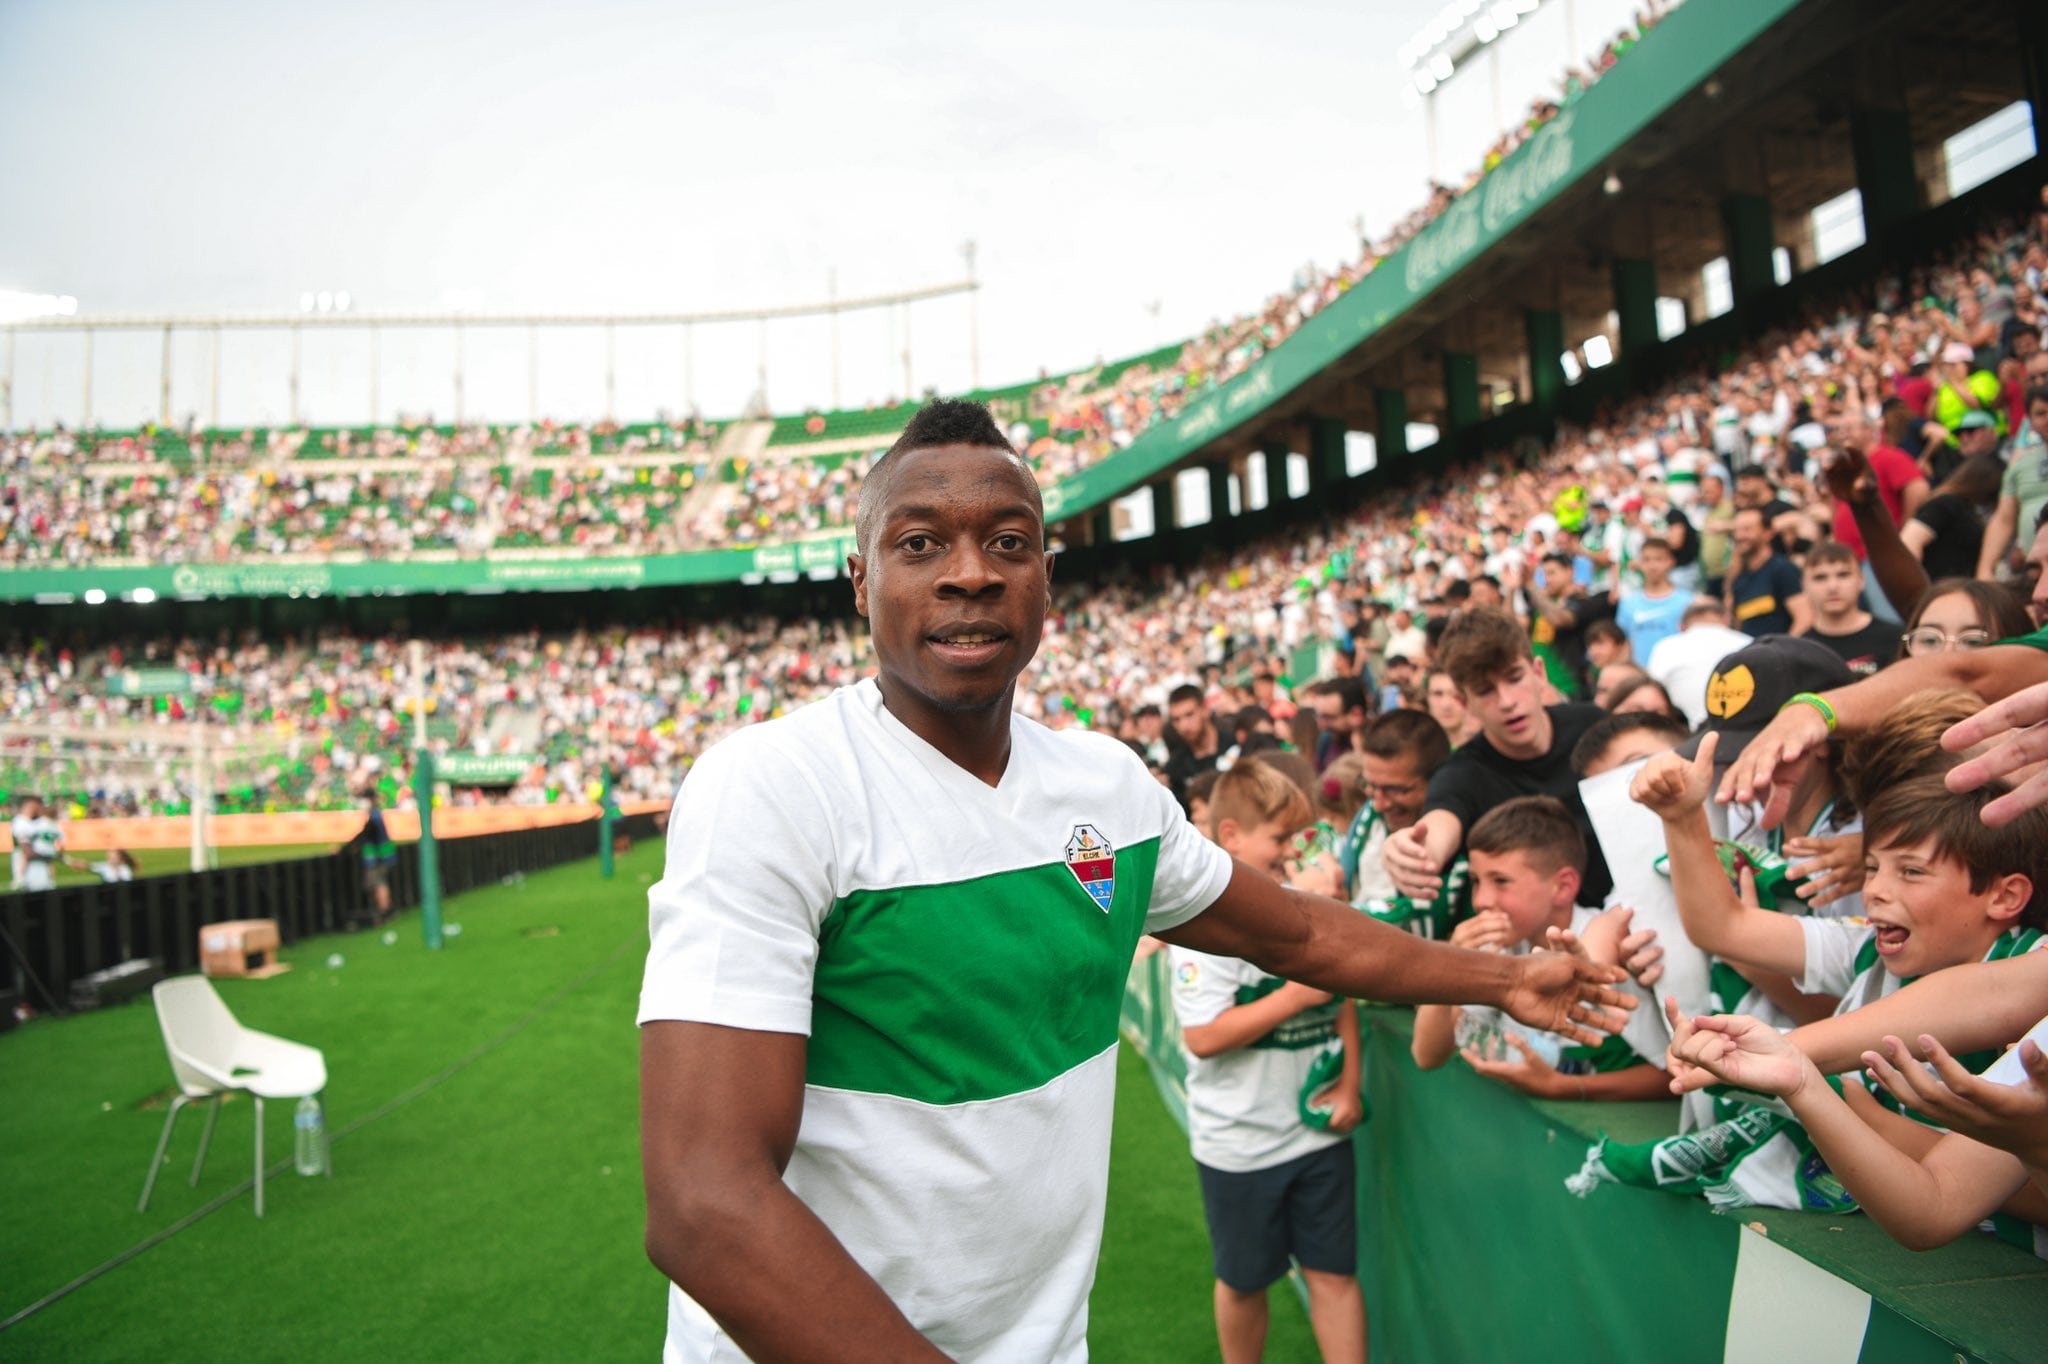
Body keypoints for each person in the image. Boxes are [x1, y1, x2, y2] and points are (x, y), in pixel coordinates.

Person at [636, 401, 1630, 1362]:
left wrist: (1500, 979)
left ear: (1048, 580)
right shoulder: (771, 785)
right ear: (857, 579)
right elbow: (705, 1200)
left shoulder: (1104, 785)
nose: (970, 573)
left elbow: (1293, 932)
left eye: (1008, 542)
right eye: (920, 544)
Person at [1170, 759, 1366, 1364]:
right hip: (1240, 1143)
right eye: (1280, 839)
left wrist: (1351, 1086)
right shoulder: (1206, 924)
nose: (1291, 852)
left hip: (1316, 1135)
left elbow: (1343, 1004)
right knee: (1245, 1280)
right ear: (1231, 836)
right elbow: (1202, 1037)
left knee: (1334, 1275)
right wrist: (1291, 996)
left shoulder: (1305, 908)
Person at [1411, 797, 1668, 1101]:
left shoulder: (1613, 944)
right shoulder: (1497, 949)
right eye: (1476, 881)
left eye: (1501, 881)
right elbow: (1427, 1056)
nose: (1481, 900)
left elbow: (1669, 1074)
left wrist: (1562, 1087)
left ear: (1562, 887)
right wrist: (1451, 968)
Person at [1382, 607, 1615, 911]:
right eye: (1485, 691)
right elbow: (1440, 825)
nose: (1506, 702)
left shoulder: (1593, 726)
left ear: (1539, 673)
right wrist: (1412, 851)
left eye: (1514, 678)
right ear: (1465, 703)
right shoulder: (1462, 774)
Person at [1646, 598, 1753, 727]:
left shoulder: (1665, 647)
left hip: (1683, 735)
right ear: (1727, 619)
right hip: (1745, 733)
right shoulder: (1750, 643)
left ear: (1680, 626)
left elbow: (1650, 694)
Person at [1978, 384, 2048, 579]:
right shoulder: (2019, 466)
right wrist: (1984, 570)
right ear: (2030, 422)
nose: (2047, 419)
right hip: (2035, 575)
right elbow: (2003, 519)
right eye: (2040, 413)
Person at [1796, 542, 1896, 677]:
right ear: (1804, 586)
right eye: (1820, 577)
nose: (1832, 586)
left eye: (1843, 575)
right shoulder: (1798, 650)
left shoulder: (1894, 637)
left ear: (1861, 580)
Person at [1899, 454, 2000, 582]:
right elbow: (1910, 542)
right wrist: (1919, 587)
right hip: (1937, 586)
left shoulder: (1963, 508)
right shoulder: (1947, 504)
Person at [1725, 506, 1809, 638]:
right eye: (1736, 530)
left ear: (1768, 533)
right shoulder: (1739, 579)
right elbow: (1738, 627)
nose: (1740, 536)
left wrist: (1782, 653)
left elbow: (1805, 619)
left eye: (1747, 529)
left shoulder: (1783, 570)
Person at [1614, 537, 1689, 663]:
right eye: (1646, 560)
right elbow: (1622, 645)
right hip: (1639, 677)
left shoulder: (1687, 602)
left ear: (1671, 562)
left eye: (1659, 559)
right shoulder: (1628, 603)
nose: (1652, 566)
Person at [1166, 683, 1226, 807]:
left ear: (1205, 710)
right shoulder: (1175, 767)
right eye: (1176, 720)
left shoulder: (1235, 742)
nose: (1183, 726)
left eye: (1189, 715)